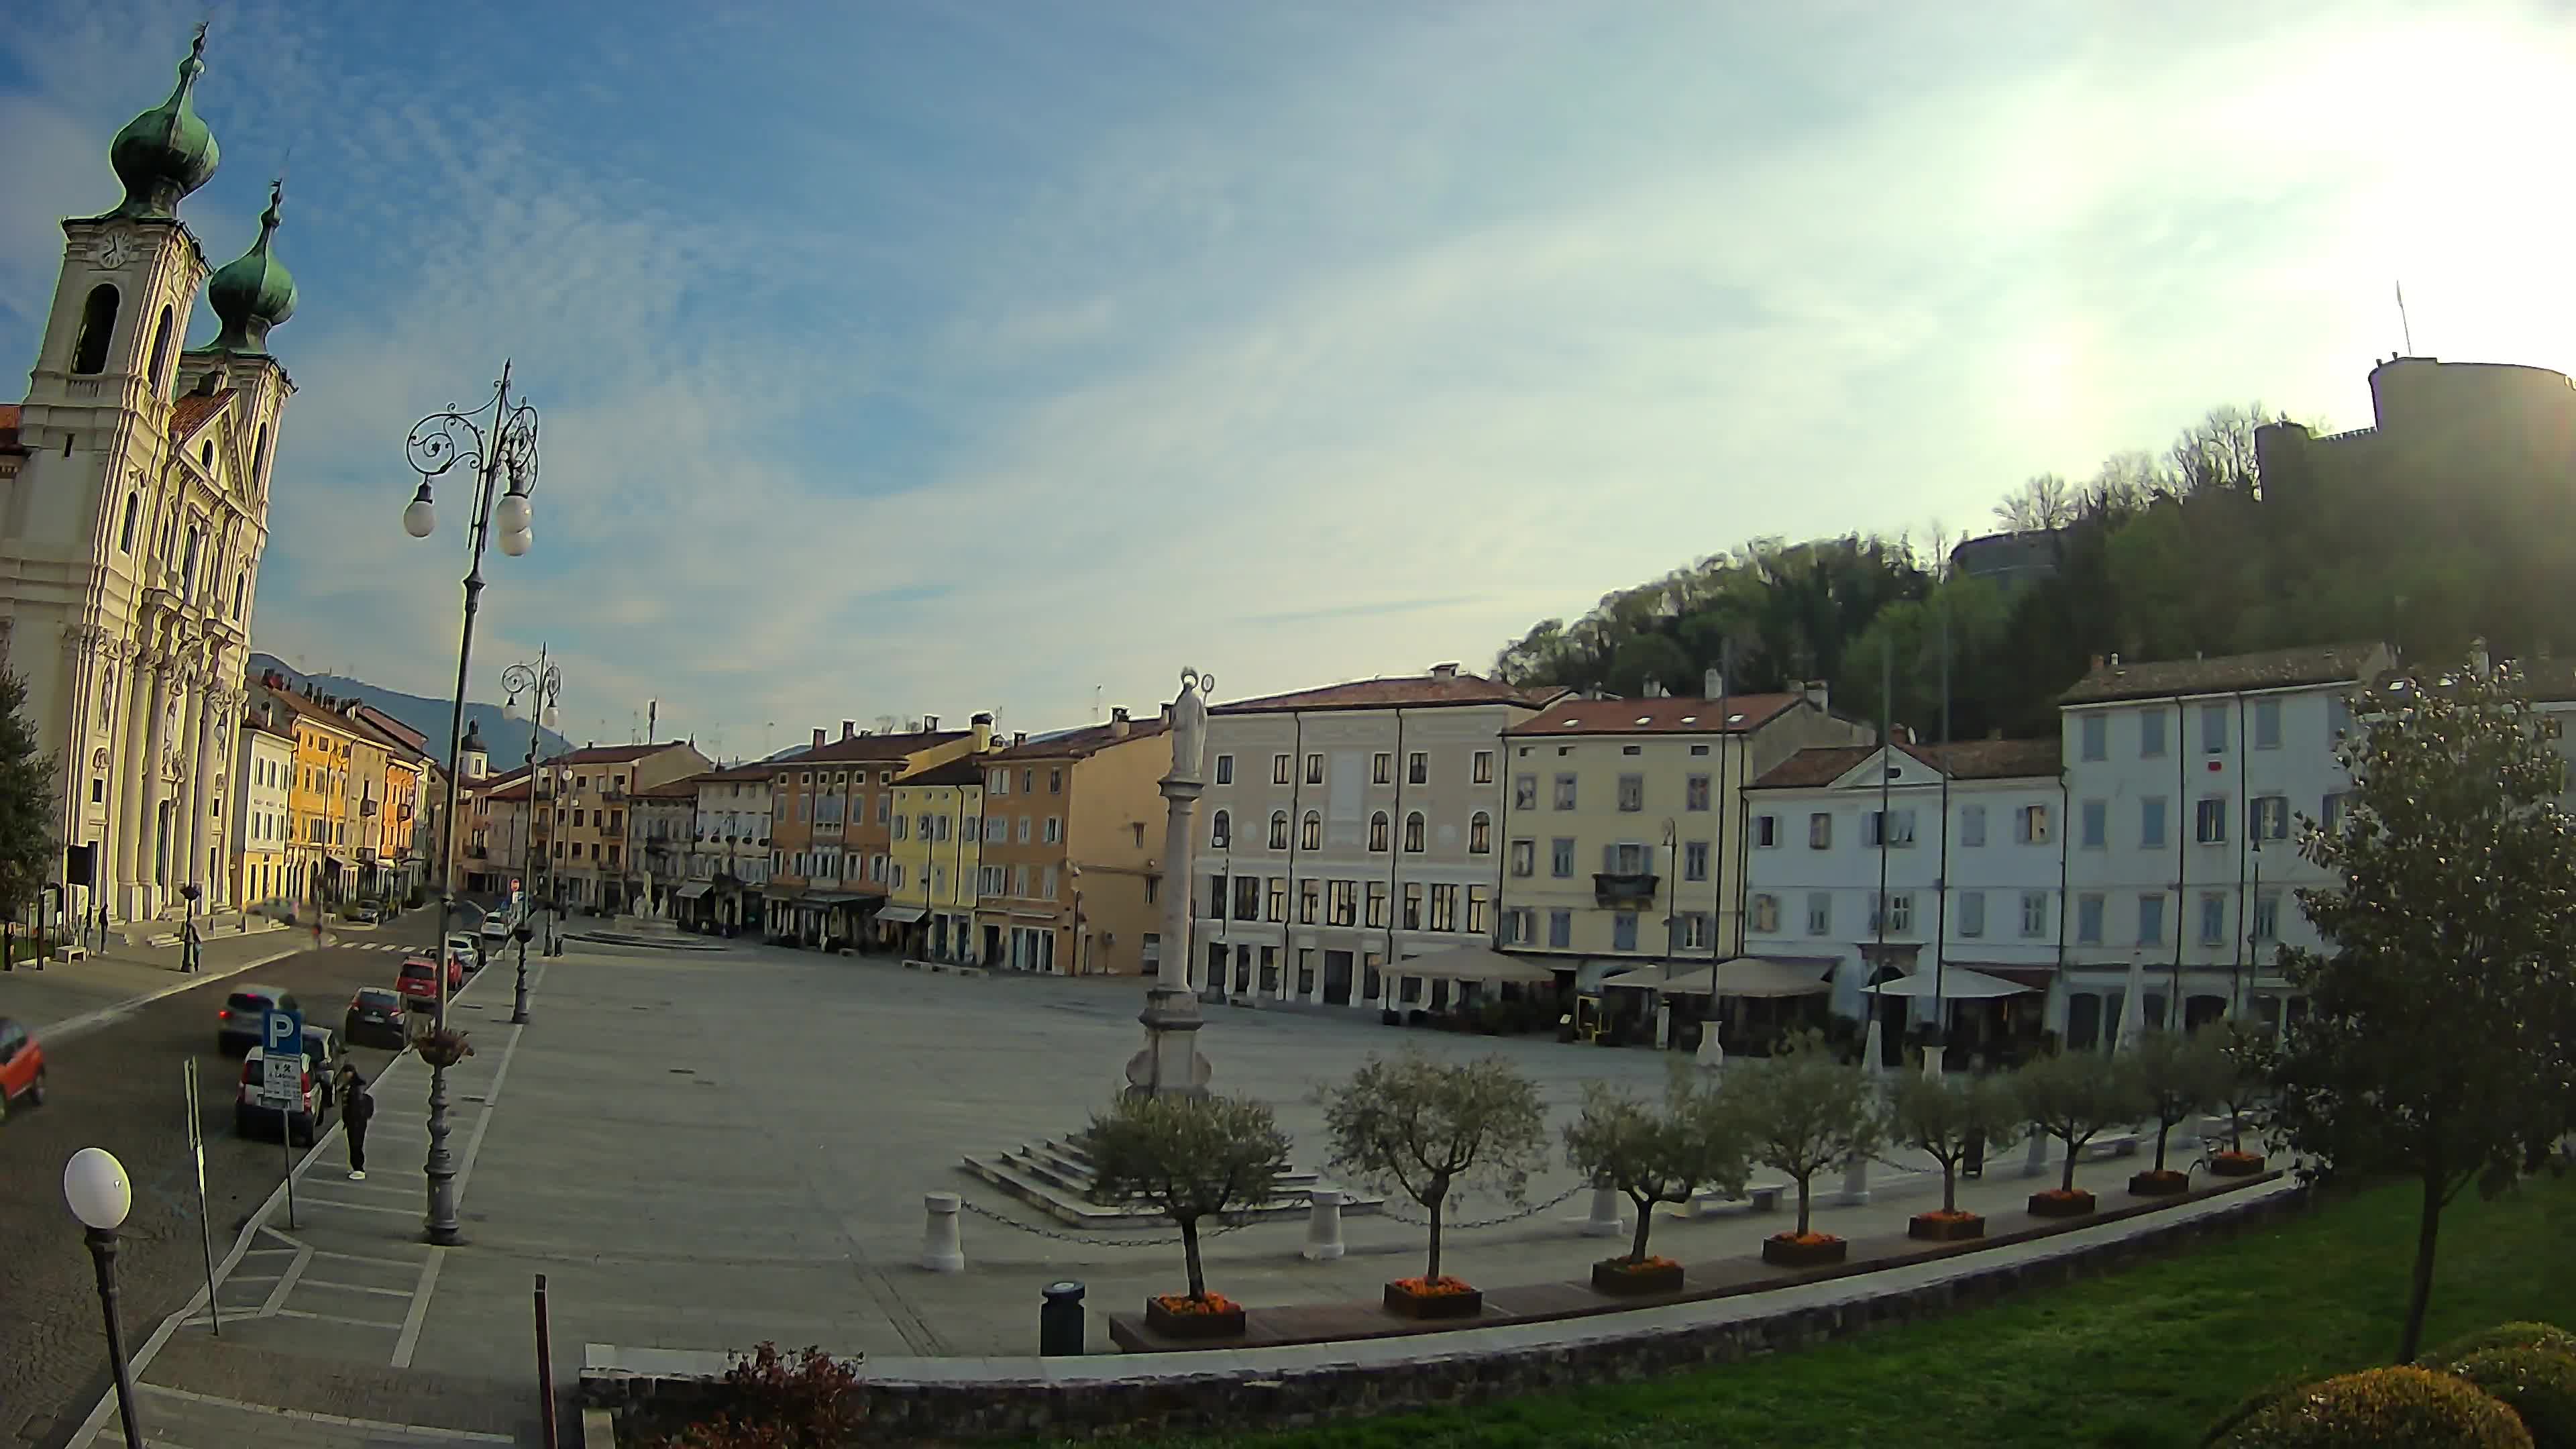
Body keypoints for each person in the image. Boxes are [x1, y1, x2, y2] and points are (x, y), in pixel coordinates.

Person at [342, 1067, 374, 1180]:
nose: (345, 1076)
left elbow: (354, 1106)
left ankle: (359, 1169)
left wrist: (351, 1120)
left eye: (347, 1073)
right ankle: (356, 1167)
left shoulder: (355, 1088)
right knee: (354, 1145)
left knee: (356, 1145)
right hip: (355, 1122)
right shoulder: (352, 1086)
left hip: (356, 1122)